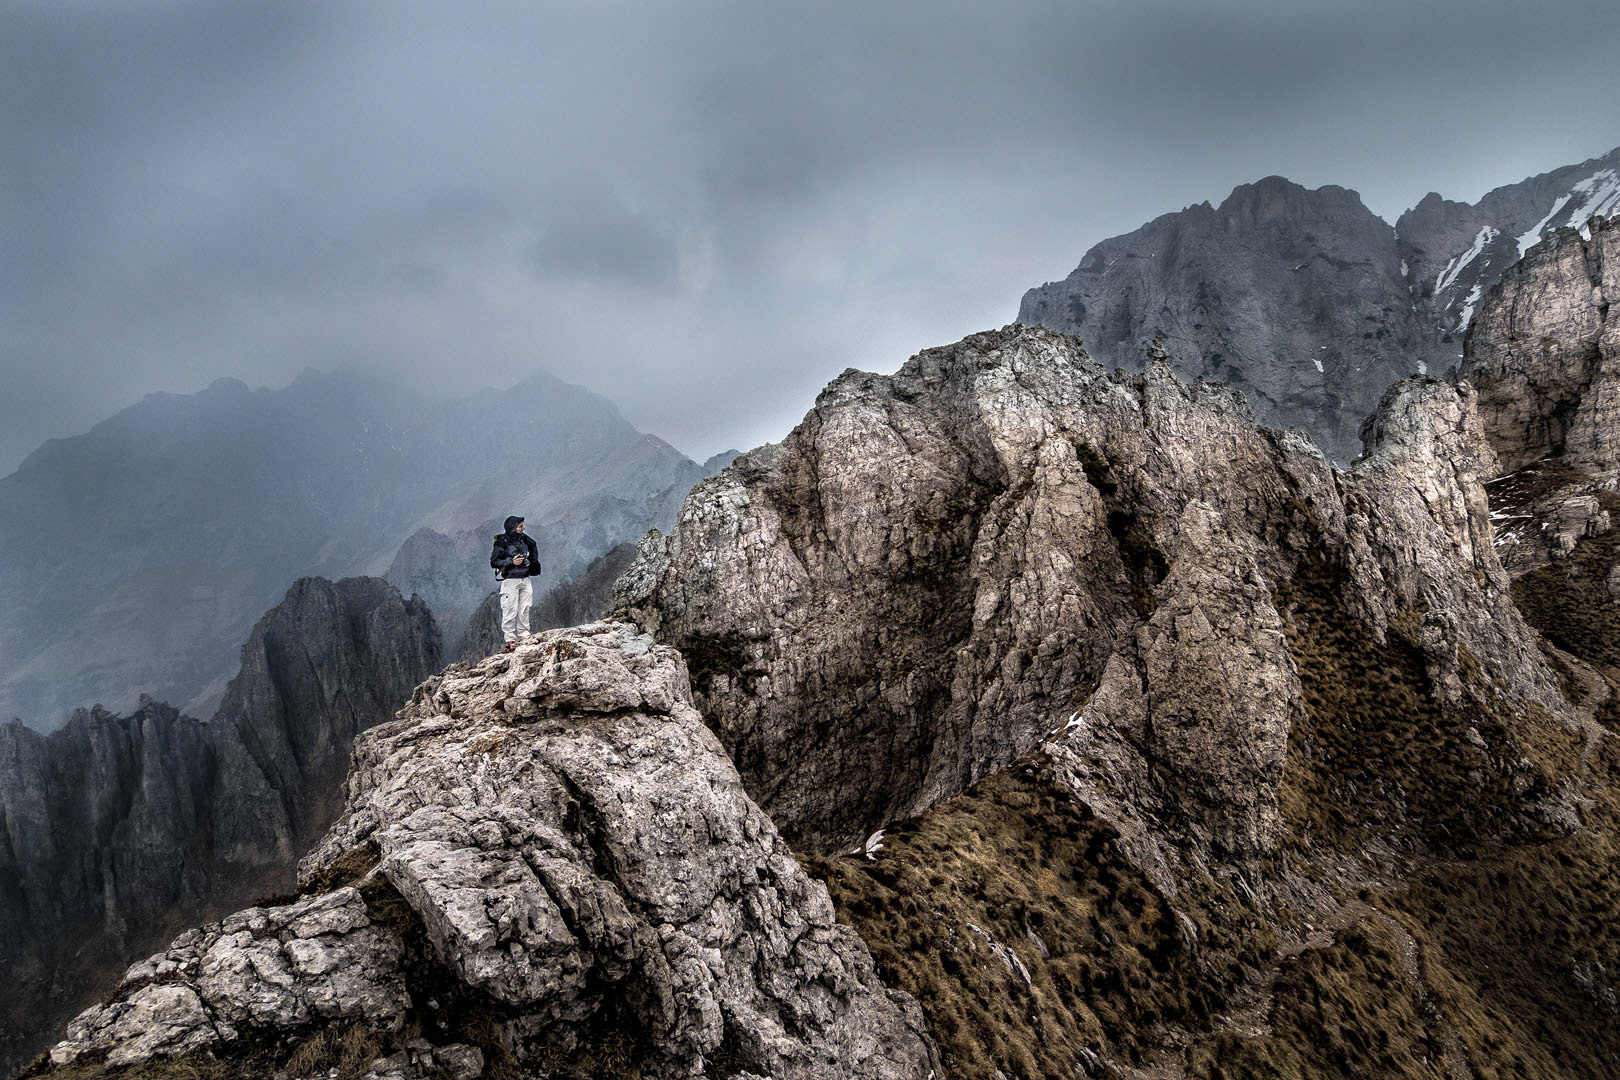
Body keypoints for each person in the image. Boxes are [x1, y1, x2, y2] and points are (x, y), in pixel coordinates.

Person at [490, 515, 541, 651]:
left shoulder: (524, 539)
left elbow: (534, 545)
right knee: (510, 609)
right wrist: (511, 562)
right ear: (512, 528)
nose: (523, 528)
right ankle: (510, 639)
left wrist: (533, 562)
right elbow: (494, 562)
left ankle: (524, 635)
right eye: (520, 526)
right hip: (510, 580)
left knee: (525, 607)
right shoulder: (502, 542)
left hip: (525, 577)